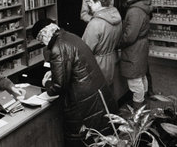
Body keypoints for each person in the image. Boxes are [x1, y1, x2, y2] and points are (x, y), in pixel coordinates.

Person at [31, 19, 117, 147]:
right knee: (100, 138)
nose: (43, 44)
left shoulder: (57, 48)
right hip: (95, 96)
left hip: (81, 105)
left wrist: (47, 83)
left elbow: (58, 87)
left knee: (80, 141)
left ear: (43, 35)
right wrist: (54, 72)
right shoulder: (70, 37)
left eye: (40, 40)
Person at [120, 0, 152, 109]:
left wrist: (118, 43)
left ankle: (138, 110)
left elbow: (129, 36)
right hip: (141, 46)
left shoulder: (134, 11)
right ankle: (144, 105)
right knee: (140, 75)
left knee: (134, 80)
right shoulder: (140, 6)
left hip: (134, 49)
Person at [82, 0, 122, 86]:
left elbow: (86, 49)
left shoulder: (95, 23)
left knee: (98, 90)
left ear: (99, 3)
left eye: (91, 2)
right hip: (112, 58)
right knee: (108, 88)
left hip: (97, 63)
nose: (89, 5)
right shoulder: (117, 17)